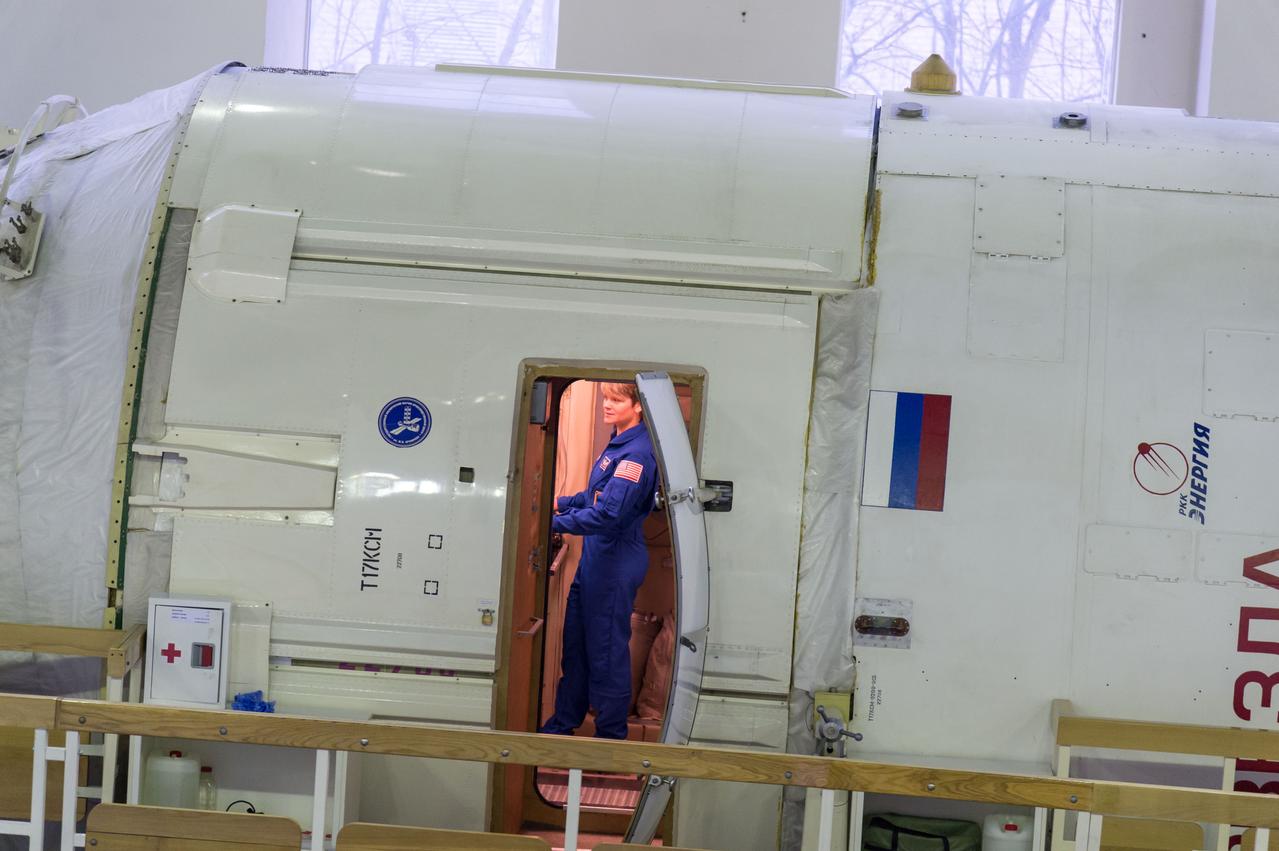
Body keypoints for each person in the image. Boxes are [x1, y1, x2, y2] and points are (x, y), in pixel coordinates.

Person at [541, 381, 659, 739]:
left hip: (615, 561)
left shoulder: (637, 454)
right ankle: (563, 726)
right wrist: (559, 502)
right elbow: (594, 496)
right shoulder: (617, 440)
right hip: (596, 560)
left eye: (616, 399)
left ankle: (610, 740)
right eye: (605, 398)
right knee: (576, 648)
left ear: (638, 406)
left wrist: (554, 523)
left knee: (605, 654)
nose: (607, 405)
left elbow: (608, 515)